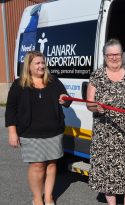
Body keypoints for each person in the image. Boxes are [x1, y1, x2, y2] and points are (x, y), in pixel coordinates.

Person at [5, 51, 71, 205]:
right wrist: (12, 132)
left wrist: (64, 100)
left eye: (43, 63)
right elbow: (10, 110)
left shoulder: (53, 81)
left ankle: (48, 197)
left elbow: (66, 99)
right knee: (37, 165)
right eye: (37, 63)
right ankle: (37, 198)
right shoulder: (19, 84)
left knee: (52, 164)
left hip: (54, 131)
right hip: (30, 132)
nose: (42, 66)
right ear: (29, 66)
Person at [85, 39, 125, 205]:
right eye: (110, 55)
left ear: (122, 55)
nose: (114, 57)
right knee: (107, 170)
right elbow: (89, 104)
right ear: (105, 57)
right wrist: (97, 107)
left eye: (117, 54)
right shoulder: (97, 76)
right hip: (105, 133)